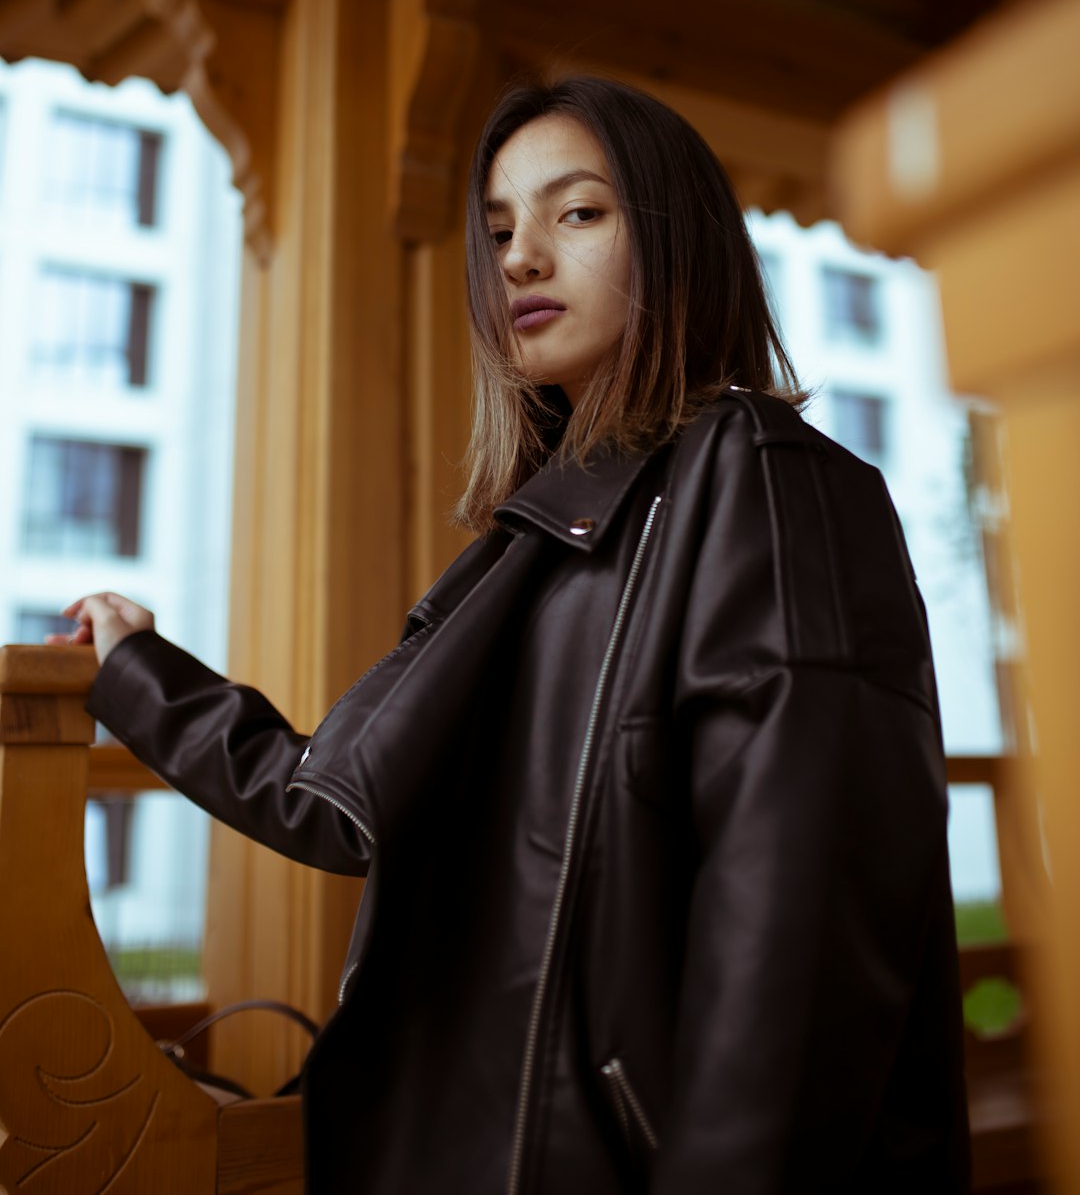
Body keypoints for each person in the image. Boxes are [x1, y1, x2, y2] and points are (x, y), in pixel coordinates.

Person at [53, 76, 971, 1194]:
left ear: (680, 241)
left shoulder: (764, 478)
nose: (521, 259)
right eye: (498, 232)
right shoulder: (540, 540)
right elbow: (335, 800)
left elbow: (803, 939)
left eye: (577, 213)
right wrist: (135, 671)